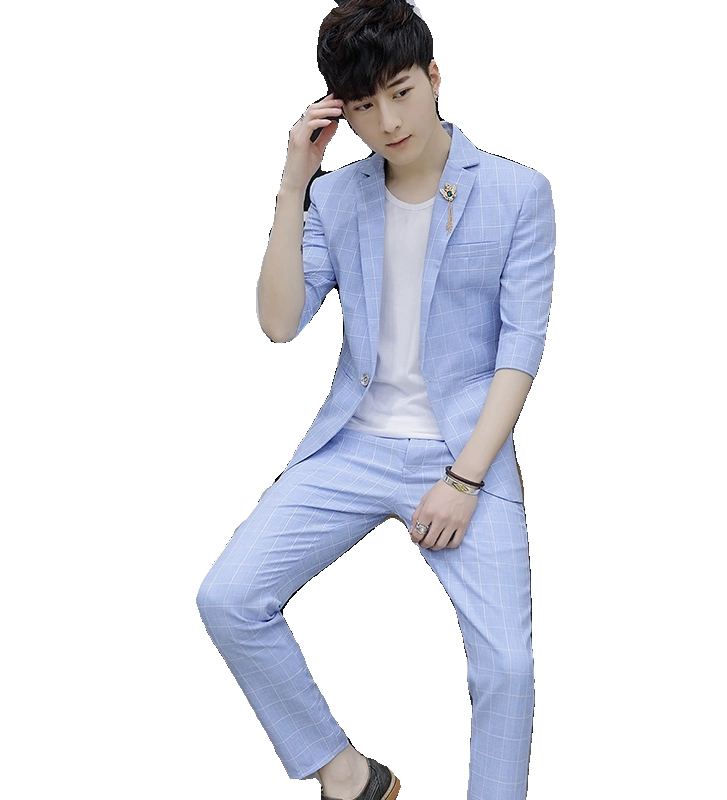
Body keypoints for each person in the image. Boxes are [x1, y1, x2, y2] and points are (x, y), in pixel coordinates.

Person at [196, 1, 556, 798]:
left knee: (507, 668)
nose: (387, 122)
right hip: (354, 442)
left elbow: (520, 353)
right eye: (362, 106)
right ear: (340, 112)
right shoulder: (338, 198)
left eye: (400, 92)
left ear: (434, 76)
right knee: (228, 596)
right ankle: (350, 776)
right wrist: (295, 182)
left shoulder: (517, 192)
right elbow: (279, 322)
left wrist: (464, 480)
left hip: (466, 447)